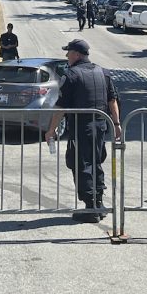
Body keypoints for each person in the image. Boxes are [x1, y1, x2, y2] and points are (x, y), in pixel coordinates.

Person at [45, 39, 122, 223]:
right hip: (101, 126)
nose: (66, 56)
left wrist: (51, 130)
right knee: (96, 162)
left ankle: (91, 208)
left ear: (77, 55)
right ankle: (98, 203)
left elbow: (60, 107)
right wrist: (117, 124)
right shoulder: (103, 72)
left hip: (81, 127)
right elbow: (113, 100)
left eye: (69, 52)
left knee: (81, 164)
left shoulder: (71, 75)